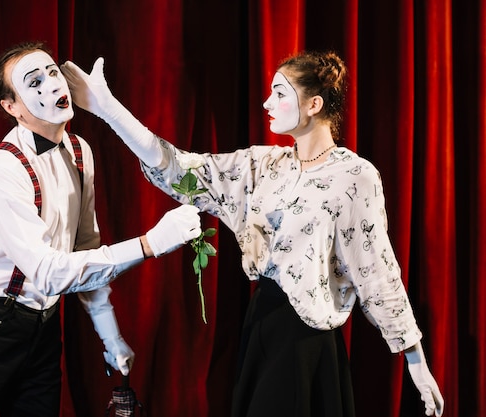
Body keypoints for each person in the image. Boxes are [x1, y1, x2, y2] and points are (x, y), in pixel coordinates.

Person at [61, 50, 445, 416]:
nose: (267, 103)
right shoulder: (265, 163)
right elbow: (179, 168)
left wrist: (414, 356)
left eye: (279, 93)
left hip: (305, 339)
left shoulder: (354, 176)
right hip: (262, 321)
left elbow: (376, 268)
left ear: (314, 105)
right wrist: (108, 109)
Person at [0, 42, 202, 417]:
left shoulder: (79, 150)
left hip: (43, 328)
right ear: (12, 108)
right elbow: (48, 271)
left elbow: (84, 248)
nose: (52, 85)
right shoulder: (3, 168)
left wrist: (111, 335)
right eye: (34, 82)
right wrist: (148, 244)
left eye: (54, 73)